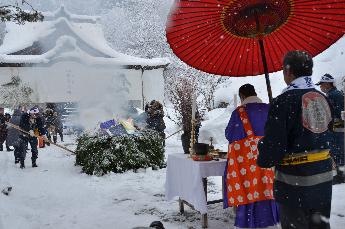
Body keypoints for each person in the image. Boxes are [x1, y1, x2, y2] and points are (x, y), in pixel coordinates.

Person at [257, 50, 334, 229]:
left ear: (288, 71)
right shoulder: (323, 98)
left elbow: (273, 151)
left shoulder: (283, 101)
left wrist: (262, 148)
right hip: (323, 181)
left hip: (295, 185)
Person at [224, 84, 279, 229]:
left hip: (248, 163)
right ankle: (273, 217)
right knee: (269, 186)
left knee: (250, 190)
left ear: (242, 96)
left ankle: (252, 220)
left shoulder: (239, 112)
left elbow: (230, 135)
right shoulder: (270, 108)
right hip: (269, 158)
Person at [316, 73, 345, 184]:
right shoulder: (335, 94)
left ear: (327, 84)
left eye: (322, 84)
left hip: (336, 125)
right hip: (338, 124)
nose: (321, 87)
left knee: (337, 148)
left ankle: (341, 175)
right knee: (338, 148)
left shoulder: (333, 95)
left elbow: (332, 113)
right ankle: (340, 173)